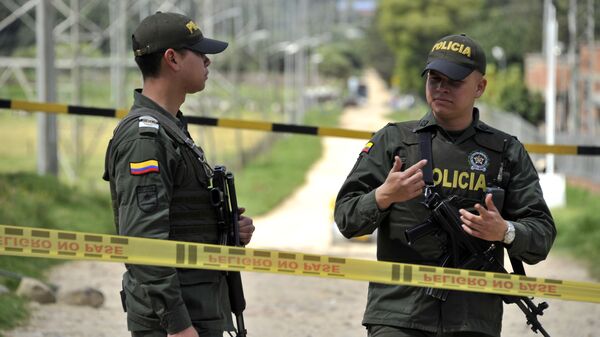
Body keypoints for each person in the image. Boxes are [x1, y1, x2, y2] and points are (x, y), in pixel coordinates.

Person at [334, 33, 556, 337]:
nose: (441, 88)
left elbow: (541, 235)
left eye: (453, 81)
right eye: (434, 79)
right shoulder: (394, 141)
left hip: (472, 320)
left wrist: (504, 232)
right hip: (397, 315)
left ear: (480, 86)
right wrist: (384, 196)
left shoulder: (506, 152)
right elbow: (347, 218)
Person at [103, 11, 255, 337]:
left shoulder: (172, 129)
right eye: (200, 53)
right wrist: (178, 325)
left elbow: (177, 219)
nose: (208, 62)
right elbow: (144, 241)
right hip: (174, 322)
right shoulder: (145, 139)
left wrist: (224, 229)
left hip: (199, 308)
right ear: (172, 58)